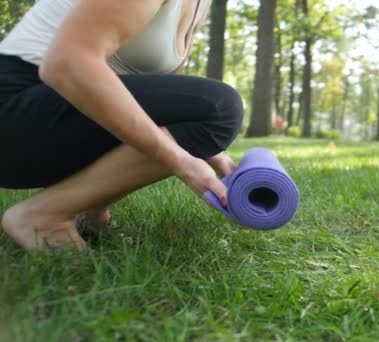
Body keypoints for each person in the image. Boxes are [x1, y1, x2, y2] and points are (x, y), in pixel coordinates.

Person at [0, 0, 244, 251]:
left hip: (50, 110)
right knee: (222, 107)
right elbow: (66, 64)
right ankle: (43, 214)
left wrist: (210, 149)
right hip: (14, 109)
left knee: (211, 109)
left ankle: (91, 210)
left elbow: (163, 95)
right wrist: (181, 160)